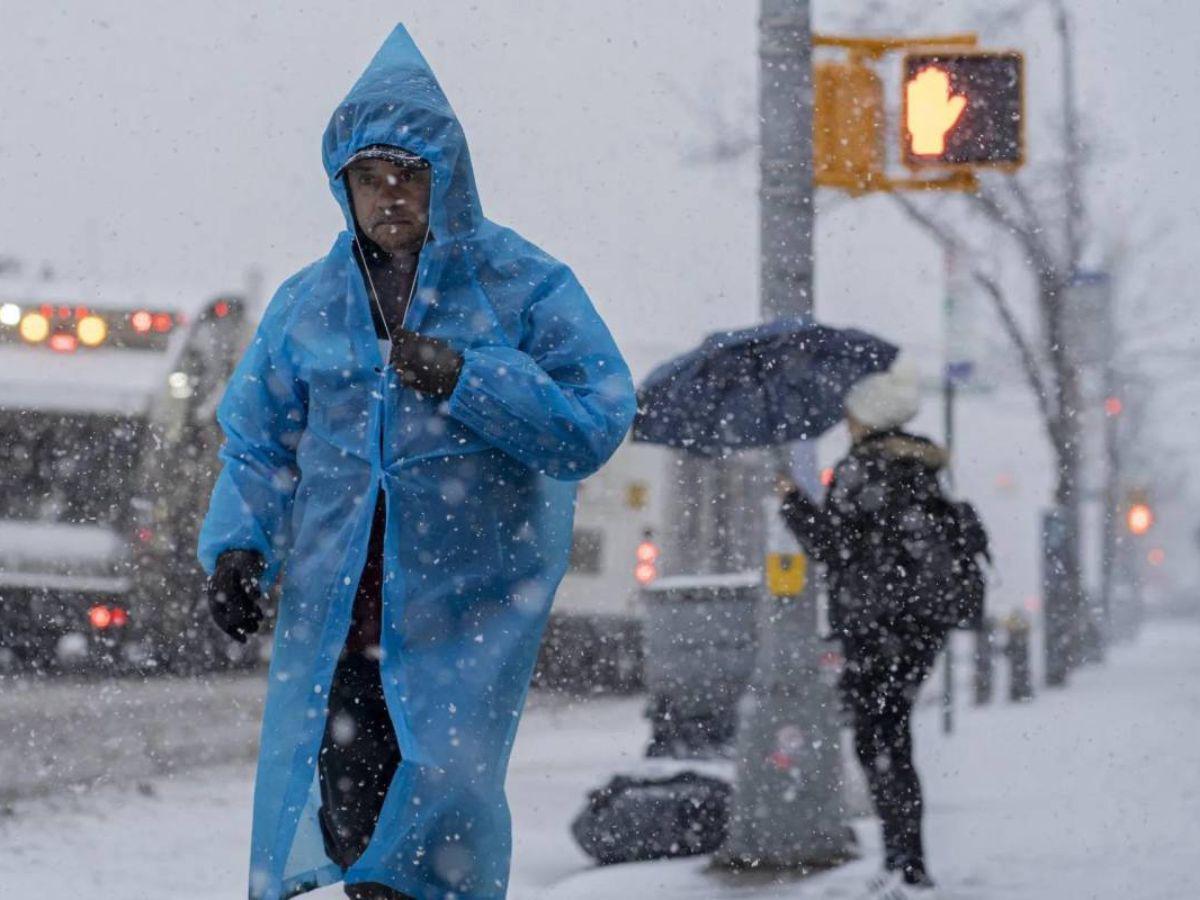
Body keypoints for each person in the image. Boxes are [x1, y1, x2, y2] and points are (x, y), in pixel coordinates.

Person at [200, 24, 635, 900]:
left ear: (449, 178)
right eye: (370, 176)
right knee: (358, 833)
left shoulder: (525, 286)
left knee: (441, 837)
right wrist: (239, 548)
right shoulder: (307, 304)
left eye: (410, 172)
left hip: (463, 629)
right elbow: (258, 440)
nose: (390, 193)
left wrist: (469, 378)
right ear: (344, 186)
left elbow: (592, 423)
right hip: (340, 631)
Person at [776, 357, 969, 896]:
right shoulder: (920, 465)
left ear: (869, 418)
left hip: (874, 626)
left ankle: (905, 864)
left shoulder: (864, 469)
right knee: (892, 738)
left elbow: (835, 547)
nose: (848, 423)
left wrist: (793, 503)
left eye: (853, 415)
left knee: (879, 743)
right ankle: (906, 861)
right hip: (917, 627)